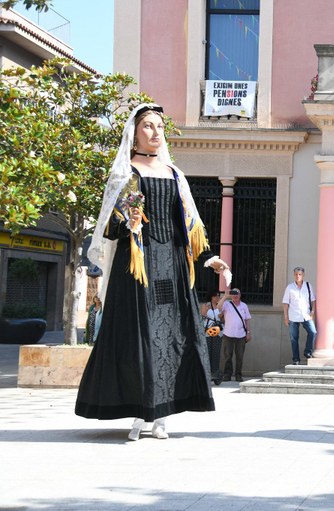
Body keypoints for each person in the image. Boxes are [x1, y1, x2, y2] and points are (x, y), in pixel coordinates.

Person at [75, 103, 229, 441]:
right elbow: (110, 227)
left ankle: (162, 413)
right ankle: (142, 411)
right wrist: (126, 222)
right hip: (137, 268)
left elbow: (189, 223)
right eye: (147, 126)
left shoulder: (175, 174)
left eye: (159, 126)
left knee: (173, 336)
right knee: (139, 337)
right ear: (134, 134)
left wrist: (209, 257)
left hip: (172, 265)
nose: (155, 132)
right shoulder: (125, 174)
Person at [282, 266, 316, 365]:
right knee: (294, 338)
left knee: (313, 332)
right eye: (296, 274)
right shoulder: (290, 287)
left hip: (306, 315)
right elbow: (285, 303)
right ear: (294, 275)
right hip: (293, 316)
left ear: (303, 275)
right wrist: (286, 317)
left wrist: (312, 312)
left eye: (300, 274)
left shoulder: (308, 286)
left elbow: (313, 300)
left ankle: (307, 351)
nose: (298, 276)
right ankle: (296, 359)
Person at [217, 288, 251, 382]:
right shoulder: (227, 304)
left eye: (237, 293)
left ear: (240, 295)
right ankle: (227, 375)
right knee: (228, 356)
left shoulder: (244, 306)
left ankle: (238, 375)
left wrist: (248, 332)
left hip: (241, 335)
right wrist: (225, 296)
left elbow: (247, 320)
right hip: (228, 334)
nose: (235, 295)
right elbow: (218, 308)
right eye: (233, 293)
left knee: (240, 356)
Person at [201, 291, 223, 385]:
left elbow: (222, 319)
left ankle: (215, 373)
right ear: (212, 296)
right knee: (208, 352)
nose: (218, 297)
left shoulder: (219, 307)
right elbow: (202, 316)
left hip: (218, 332)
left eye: (219, 296)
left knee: (216, 353)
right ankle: (207, 373)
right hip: (208, 332)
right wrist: (206, 311)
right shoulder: (206, 305)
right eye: (216, 296)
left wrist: (222, 316)